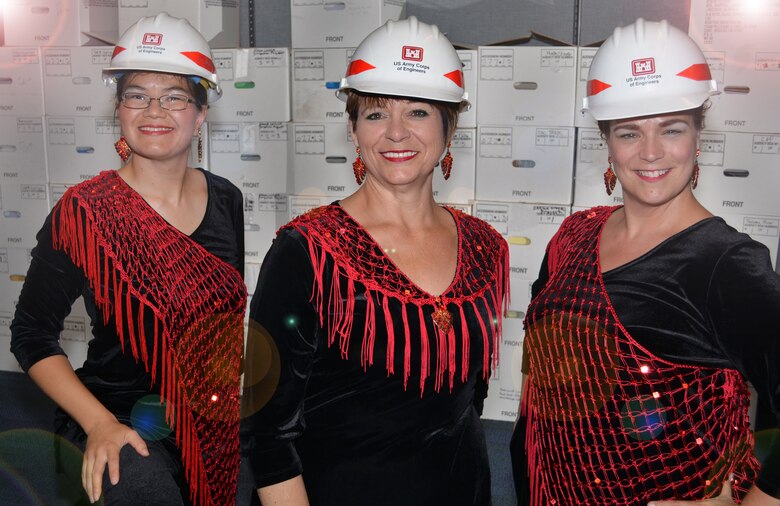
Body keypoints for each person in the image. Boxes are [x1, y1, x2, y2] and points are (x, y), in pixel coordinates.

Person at [510, 18, 780, 505]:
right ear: (607, 141)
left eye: (671, 129)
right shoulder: (573, 234)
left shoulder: (725, 262)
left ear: (699, 134)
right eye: (629, 133)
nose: (651, 152)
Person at [240, 16, 509, 506]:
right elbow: (267, 432)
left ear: (450, 128)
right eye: (376, 113)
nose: (396, 133)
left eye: (419, 112)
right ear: (353, 129)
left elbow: (469, 401)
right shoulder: (306, 251)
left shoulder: (487, 247)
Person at [10, 13, 247, 506]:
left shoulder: (227, 199)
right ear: (119, 109)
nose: (153, 109)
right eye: (136, 94)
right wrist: (97, 423)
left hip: (207, 427)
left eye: (175, 96)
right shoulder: (85, 210)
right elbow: (30, 333)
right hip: (115, 417)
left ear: (201, 113)